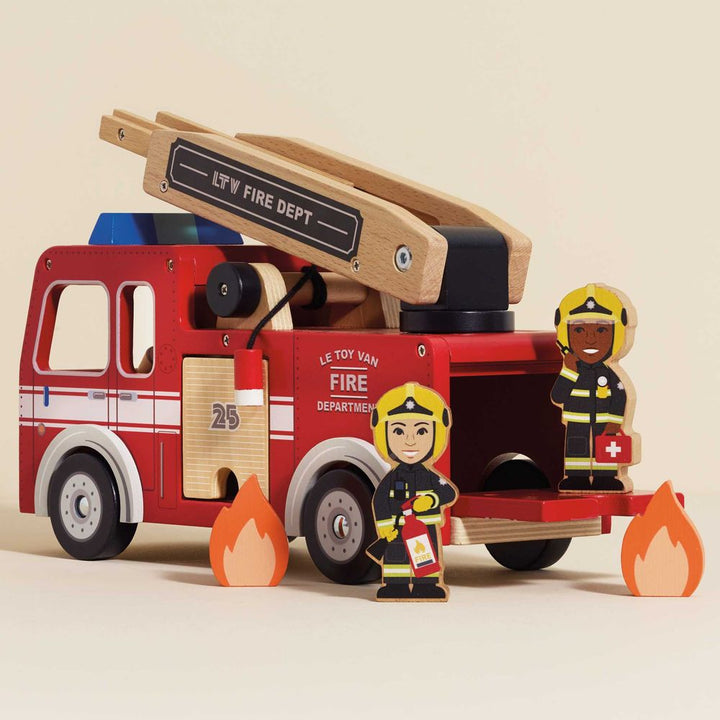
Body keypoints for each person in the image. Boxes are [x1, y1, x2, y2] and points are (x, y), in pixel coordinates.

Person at [369, 383, 458, 600]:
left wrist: (430, 500)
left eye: (422, 431)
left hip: (425, 529)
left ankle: (426, 586)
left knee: (426, 558)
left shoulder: (430, 476)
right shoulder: (391, 479)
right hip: (396, 530)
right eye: (398, 431)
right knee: (395, 558)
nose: (410, 440)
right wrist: (386, 529)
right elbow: (379, 501)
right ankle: (395, 586)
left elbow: (448, 493)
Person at [552, 284, 636, 492]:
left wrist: (614, 423)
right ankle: (576, 478)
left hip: (603, 423)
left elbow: (620, 397)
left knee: (604, 450)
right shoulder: (571, 370)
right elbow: (558, 396)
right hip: (576, 423)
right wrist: (570, 372)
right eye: (579, 330)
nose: (590, 339)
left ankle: (605, 477)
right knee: (576, 448)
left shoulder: (610, 374)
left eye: (601, 330)